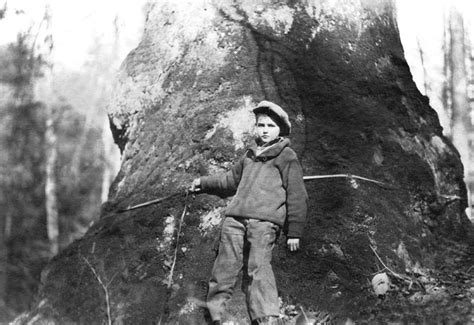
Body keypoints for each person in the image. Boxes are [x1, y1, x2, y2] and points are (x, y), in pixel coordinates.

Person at [191, 100, 308, 325]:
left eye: (270, 126)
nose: (265, 130)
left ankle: (266, 317)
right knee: (224, 267)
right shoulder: (249, 155)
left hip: (264, 223)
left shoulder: (287, 156)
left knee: (259, 267)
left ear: (280, 130)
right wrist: (202, 183)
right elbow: (229, 181)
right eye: (261, 125)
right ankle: (219, 316)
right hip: (235, 220)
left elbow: (297, 195)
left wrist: (295, 231)